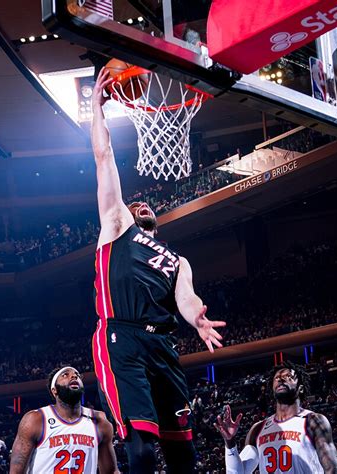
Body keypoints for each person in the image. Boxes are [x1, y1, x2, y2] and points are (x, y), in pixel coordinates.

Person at [90, 67, 226, 474]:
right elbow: (103, 157)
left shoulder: (176, 258)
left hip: (164, 345)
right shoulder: (116, 225)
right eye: (138, 204)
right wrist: (96, 109)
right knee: (143, 451)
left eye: (149, 205)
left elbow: (187, 299)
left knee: (184, 455)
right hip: (123, 337)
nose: (143, 204)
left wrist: (198, 320)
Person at [215, 361, 337, 473]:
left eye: (288, 377)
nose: (281, 379)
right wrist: (230, 442)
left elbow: (332, 469)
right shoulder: (258, 428)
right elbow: (238, 472)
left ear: (300, 388)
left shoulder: (313, 421)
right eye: (277, 378)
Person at [9, 366, 118, 474]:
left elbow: (111, 471)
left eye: (77, 375)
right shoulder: (35, 419)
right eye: (65, 375)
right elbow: (16, 471)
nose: (74, 376)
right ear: (54, 390)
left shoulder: (100, 420)